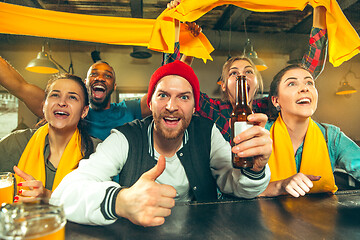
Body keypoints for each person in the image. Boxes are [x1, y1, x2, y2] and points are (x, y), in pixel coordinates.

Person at [51, 60, 272, 227]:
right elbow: (63, 194)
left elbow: (236, 186)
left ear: (195, 107)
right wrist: (121, 200)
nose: (172, 106)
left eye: (184, 97)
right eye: (163, 95)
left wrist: (255, 169)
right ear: (150, 102)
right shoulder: (125, 137)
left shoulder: (207, 132)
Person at [166, 1, 328, 142]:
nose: (242, 76)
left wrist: (320, 6)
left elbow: (308, 70)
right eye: (234, 73)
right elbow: (173, 82)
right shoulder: (214, 110)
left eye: (249, 72)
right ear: (223, 85)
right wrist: (176, 24)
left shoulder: (269, 106)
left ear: (257, 83)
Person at [259, 64, 360, 198]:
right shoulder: (261, 134)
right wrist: (280, 185)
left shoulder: (331, 136)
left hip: (323, 216)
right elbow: (239, 189)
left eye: (309, 82)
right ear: (276, 101)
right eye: (291, 84)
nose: (305, 88)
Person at [0, 73, 101, 202]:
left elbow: (100, 205)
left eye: (72, 97)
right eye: (55, 95)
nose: (62, 102)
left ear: (84, 111)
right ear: (44, 106)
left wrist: (49, 197)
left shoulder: (97, 151)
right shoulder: (16, 142)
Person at [0, 58, 150, 140]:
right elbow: (20, 87)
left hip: (121, 191)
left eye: (107, 76)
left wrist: (174, 27)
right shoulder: (70, 111)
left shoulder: (129, 109)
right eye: (94, 74)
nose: (100, 78)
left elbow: (165, 93)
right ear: (85, 82)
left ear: (114, 86)